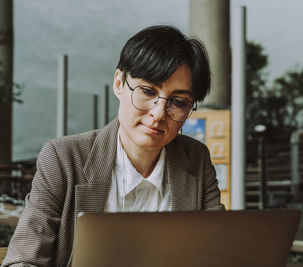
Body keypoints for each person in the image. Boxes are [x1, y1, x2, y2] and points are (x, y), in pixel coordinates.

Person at [3, 25, 224, 267]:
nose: (159, 113)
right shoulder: (64, 158)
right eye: (148, 91)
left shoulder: (196, 159)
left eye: (178, 102)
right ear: (119, 83)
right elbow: (22, 260)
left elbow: (218, 251)